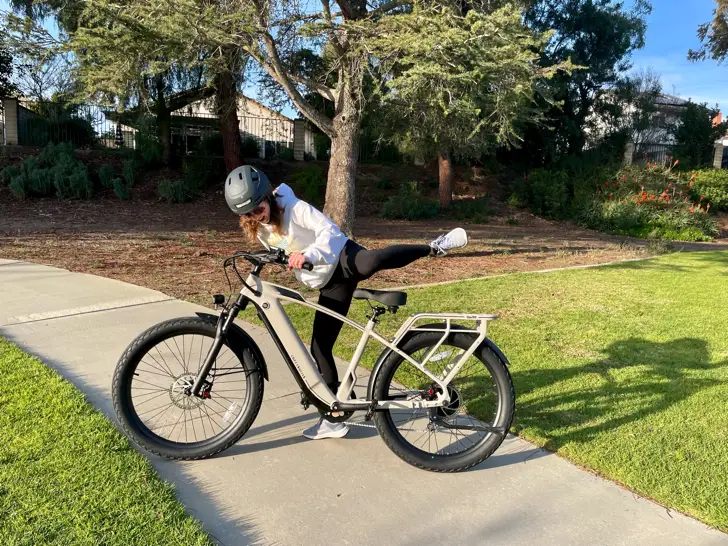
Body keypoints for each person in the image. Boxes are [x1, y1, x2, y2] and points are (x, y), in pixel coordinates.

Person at [224, 165, 469, 440]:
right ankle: (333, 417)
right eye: (249, 214)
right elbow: (284, 252)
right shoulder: (259, 230)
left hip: (343, 257)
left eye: (259, 209)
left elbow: (327, 231)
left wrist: (308, 255)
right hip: (330, 283)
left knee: (373, 260)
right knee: (320, 347)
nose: (258, 217)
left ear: (267, 195)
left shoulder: (295, 207)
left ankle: (434, 246)